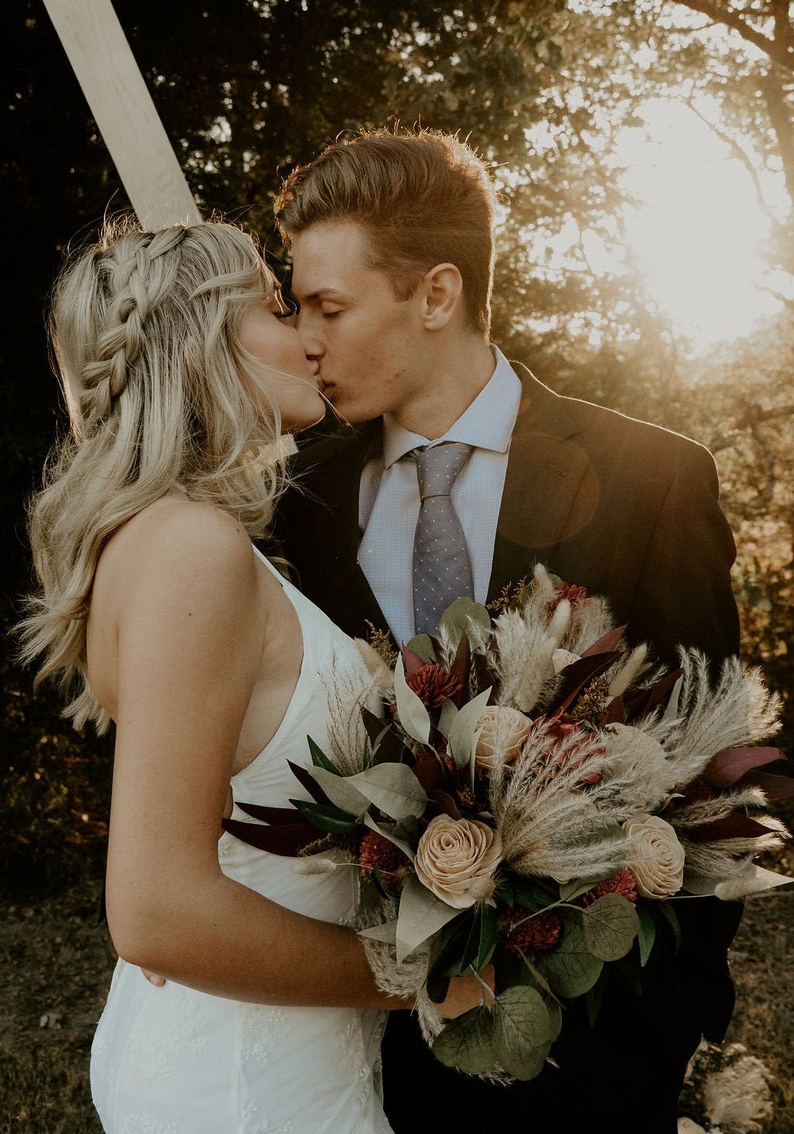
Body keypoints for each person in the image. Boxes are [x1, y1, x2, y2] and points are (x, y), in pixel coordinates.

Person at [270, 125, 745, 1134]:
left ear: (434, 296)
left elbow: (718, 765)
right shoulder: (297, 503)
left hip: (605, 1050)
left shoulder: (649, 480)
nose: (303, 338)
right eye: (297, 306)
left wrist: (668, 1023)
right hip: (375, 1048)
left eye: (327, 306)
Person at [15, 215, 479, 1134]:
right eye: (272, 307)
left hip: (241, 1053)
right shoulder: (191, 547)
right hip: (245, 1087)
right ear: (200, 343)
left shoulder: (161, 535)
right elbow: (156, 914)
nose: (307, 335)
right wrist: (420, 973)